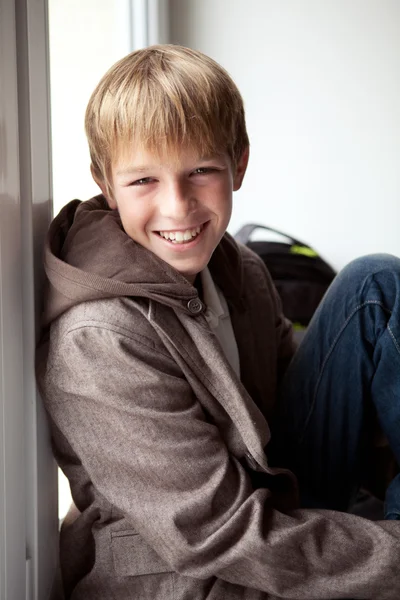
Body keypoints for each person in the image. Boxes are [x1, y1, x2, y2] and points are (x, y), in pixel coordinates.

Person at [36, 44, 400, 600]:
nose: (178, 207)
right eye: (143, 182)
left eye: (201, 170)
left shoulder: (240, 270)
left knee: (374, 284)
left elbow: (301, 405)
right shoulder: (99, 336)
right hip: (194, 575)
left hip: (272, 490)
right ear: (105, 184)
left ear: (239, 164)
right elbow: (214, 533)